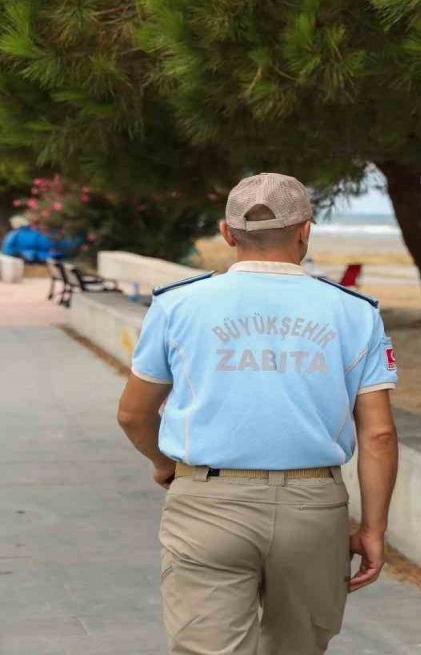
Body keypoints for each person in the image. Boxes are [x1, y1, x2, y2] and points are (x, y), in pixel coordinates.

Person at [115, 173, 400, 654]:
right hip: (313, 506)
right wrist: (373, 527)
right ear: (305, 231)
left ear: (227, 233)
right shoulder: (354, 312)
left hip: (209, 502)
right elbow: (379, 435)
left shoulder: (178, 304)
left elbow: (132, 414)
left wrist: (164, 464)